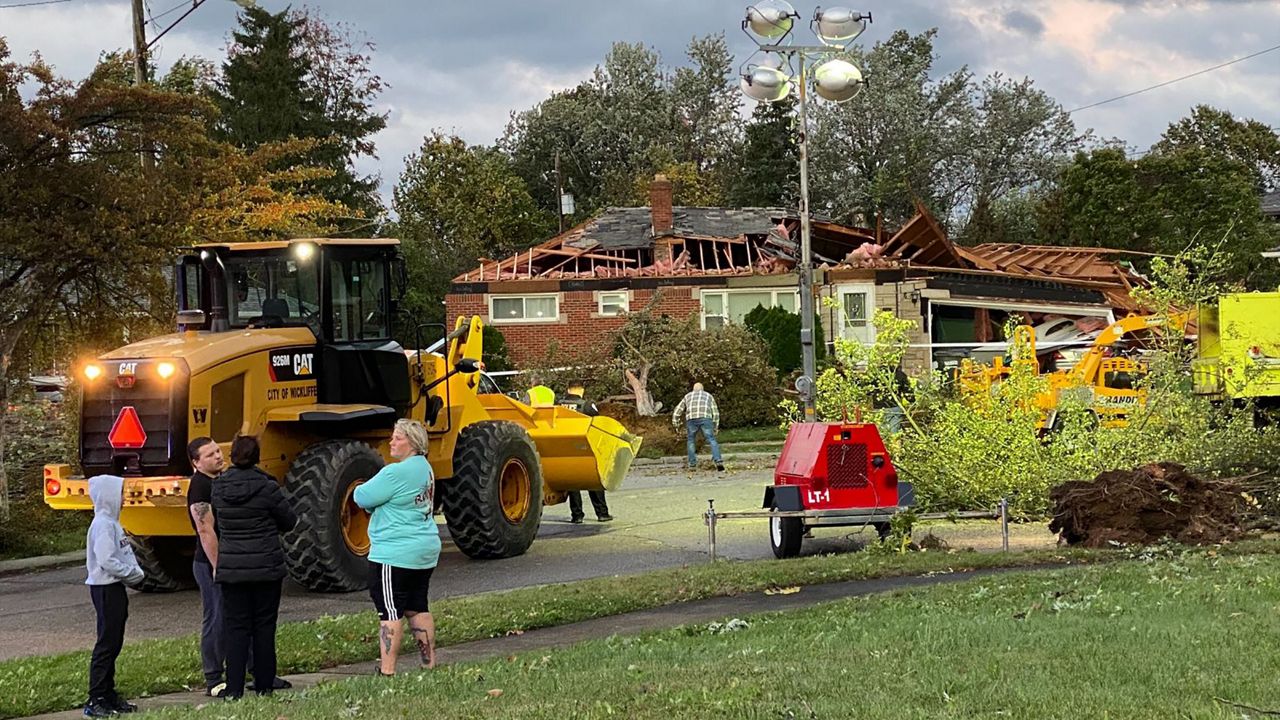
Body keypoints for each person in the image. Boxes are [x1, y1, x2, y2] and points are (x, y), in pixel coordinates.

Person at [187, 437, 290, 697]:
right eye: (209, 455)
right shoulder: (203, 487)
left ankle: (242, 681)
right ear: (196, 463)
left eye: (218, 451)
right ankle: (215, 677)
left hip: (232, 563)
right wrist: (216, 565)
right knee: (220, 619)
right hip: (218, 561)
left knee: (237, 624)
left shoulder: (219, 486)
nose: (217, 457)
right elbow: (205, 529)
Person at [355, 419, 441, 676]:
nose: (392, 442)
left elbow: (361, 496)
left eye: (398, 438)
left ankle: (387, 670)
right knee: (418, 606)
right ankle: (429, 664)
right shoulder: (425, 468)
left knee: (390, 610)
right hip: (424, 550)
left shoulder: (394, 472)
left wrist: (375, 504)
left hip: (394, 553)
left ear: (413, 443)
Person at [84, 474, 145, 717]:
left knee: (114, 641)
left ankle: (108, 694)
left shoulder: (111, 522)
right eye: (119, 493)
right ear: (108, 496)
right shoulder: (102, 525)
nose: (122, 499)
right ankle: (96, 696)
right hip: (106, 588)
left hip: (115, 587)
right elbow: (107, 559)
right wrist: (133, 574)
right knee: (107, 644)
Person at [672, 382, 724, 471]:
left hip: (691, 419)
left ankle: (692, 464)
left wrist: (676, 425)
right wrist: (715, 426)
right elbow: (715, 413)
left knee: (691, 440)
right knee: (711, 439)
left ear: (693, 389)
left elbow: (677, 411)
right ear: (702, 389)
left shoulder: (687, 396)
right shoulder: (708, 396)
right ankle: (718, 460)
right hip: (705, 418)